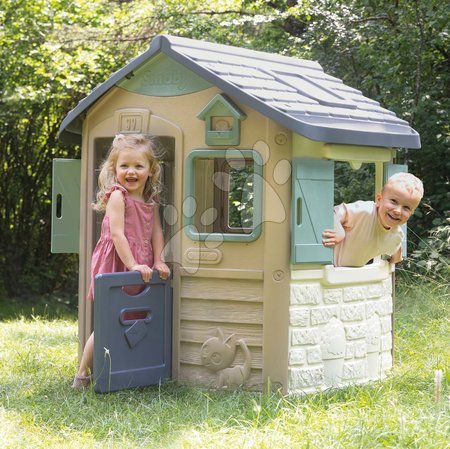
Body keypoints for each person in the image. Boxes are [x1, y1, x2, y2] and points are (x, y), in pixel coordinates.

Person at [72, 133, 171, 388]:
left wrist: (159, 260)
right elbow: (117, 234)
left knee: (134, 315)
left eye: (139, 166)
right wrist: (132, 265)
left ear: (151, 170)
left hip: (142, 262)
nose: (131, 171)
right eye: (124, 165)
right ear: (114, 169)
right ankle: (83, 374)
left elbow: (156, 231)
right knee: (108, 318)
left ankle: (126, 366)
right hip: (118, 261)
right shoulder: (118, 196)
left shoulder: (150, 200)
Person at [322, 172, 423, 267]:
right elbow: (332, 212)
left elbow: (396, 243)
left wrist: (397, 256)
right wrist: (339, 232)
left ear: (411, 213)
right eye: (393, 201)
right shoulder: (365, 211)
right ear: (379, 200)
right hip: (323, 265)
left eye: (406, 208)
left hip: (347, 276)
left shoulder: (396, 235)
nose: (398, 211)